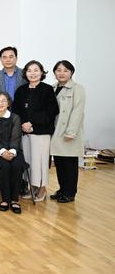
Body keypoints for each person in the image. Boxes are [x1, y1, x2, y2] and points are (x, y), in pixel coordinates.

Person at [12, 60, 59, 202]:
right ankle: (32, 187)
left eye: (36, 70)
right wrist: (22, 124)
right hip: (25, 132)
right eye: (29, 70)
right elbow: (16, 110)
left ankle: (42, 188)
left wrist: (32, 123)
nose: (32, 73)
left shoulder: (47, 89)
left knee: (40, 161)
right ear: (25, 73)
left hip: (41, 132)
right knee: (29, 161)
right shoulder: (21, 90)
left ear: (41, 72)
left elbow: (51, 111)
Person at [0, 47, 25, 193]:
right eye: (4, 57)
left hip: (18, 117)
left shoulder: (24, 74)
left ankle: (20, 183)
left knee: (17, 149)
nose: (8, 59)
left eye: (11, 56)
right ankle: (0, 182)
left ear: (16, 58)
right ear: (1, 59)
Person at [50, 60, 86, 203]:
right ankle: (62, 189)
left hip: (68, 132)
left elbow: (78, 112)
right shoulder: (52, 88)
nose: (62, 73)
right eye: (59, 70)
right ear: (54, 72)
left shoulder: (77, 89)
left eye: (65, 70)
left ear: (71, 73)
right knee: (59, 162)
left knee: (69, 164)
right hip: (56, 130)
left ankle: (70, 193)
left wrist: (71, 132)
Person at [0, 92, 25, 214]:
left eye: (3, 101)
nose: (0, 103)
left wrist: (11, 151)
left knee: (17, 165)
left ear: (8, 103)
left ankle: (14, 199)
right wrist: (2, 152)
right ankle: (6, 199)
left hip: (13, 150)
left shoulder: (15, 117)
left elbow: (16, 137)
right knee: (5, 166)